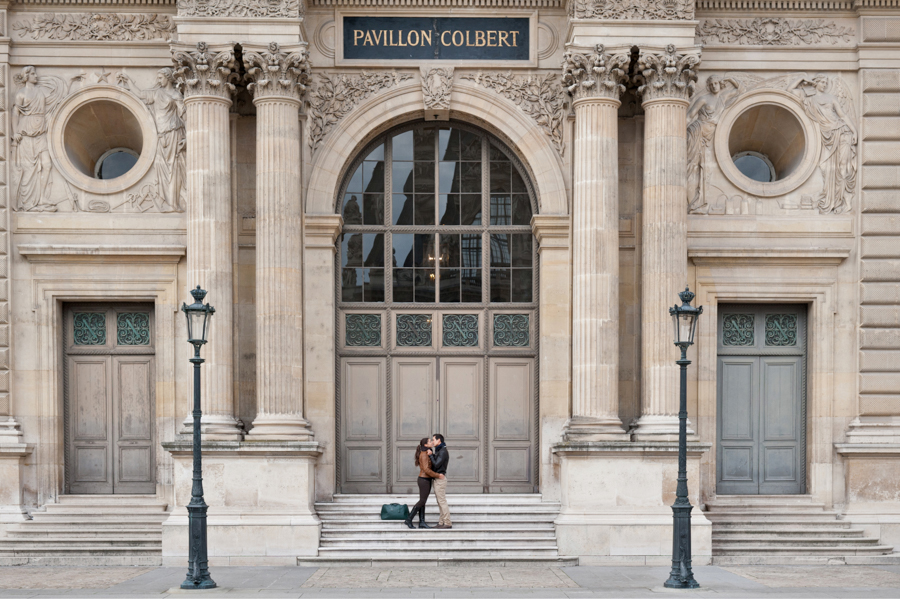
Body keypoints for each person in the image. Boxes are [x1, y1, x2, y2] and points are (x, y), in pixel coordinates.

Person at [405, 437, 439, 529]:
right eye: (429, 441)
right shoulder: (424, 454)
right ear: (425, 445)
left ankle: (422, 522)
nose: (432, 442)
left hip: (426, 479)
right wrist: (437, 475)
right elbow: (426, 469)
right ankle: (409, 519)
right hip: (424, 480)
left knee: (423, 501)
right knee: (422, 501)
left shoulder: (427, 452)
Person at [429, 433, 451, 529]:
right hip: (438, 478)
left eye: (434, 440)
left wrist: (430, 456)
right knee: (440, 501)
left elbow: (437, 464)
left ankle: (447, 522)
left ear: (439, 440)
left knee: (442, 501)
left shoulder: (442, 451)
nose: (432, 442)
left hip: (440, 479)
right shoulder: (440, 450)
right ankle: (441, 522)